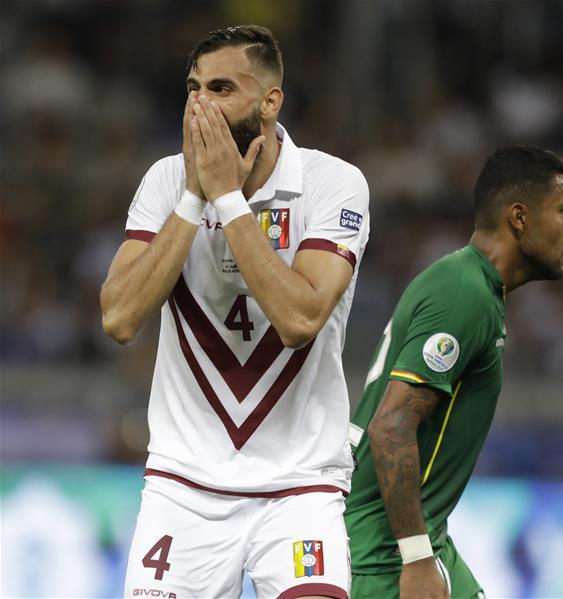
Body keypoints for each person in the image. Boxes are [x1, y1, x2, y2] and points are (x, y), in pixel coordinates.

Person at [100, 25, 368, 599]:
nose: (200, 104)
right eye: (193, 88)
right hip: (184, 485)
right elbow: (119, 317)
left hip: (300, 486)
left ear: (271, 101)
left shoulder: (334, 184)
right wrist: (195, 197)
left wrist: (228, 198)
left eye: (221, 88)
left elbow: (299, 321)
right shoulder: (166, 180)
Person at [344, 145, 563, 599]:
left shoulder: (475, 288)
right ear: (519, 217)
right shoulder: (464, 293)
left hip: (419, 540)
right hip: (385, 558)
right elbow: (391, 425)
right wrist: (415, 559)